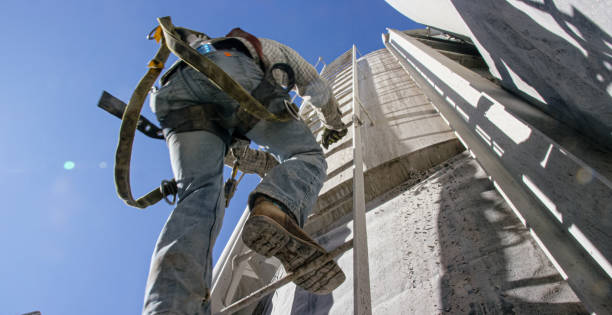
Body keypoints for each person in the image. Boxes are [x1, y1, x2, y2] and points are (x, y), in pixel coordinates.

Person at [142, 27, 348, 315]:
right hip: (228, 68)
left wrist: (272, 171)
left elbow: (234, 154)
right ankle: (276, 209)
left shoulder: (196, 48)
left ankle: (170, 308)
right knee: (306, 154)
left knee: (198, 196)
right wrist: (333, 124)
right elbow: (315, 85)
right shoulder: (268, 46)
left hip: (169, 93)